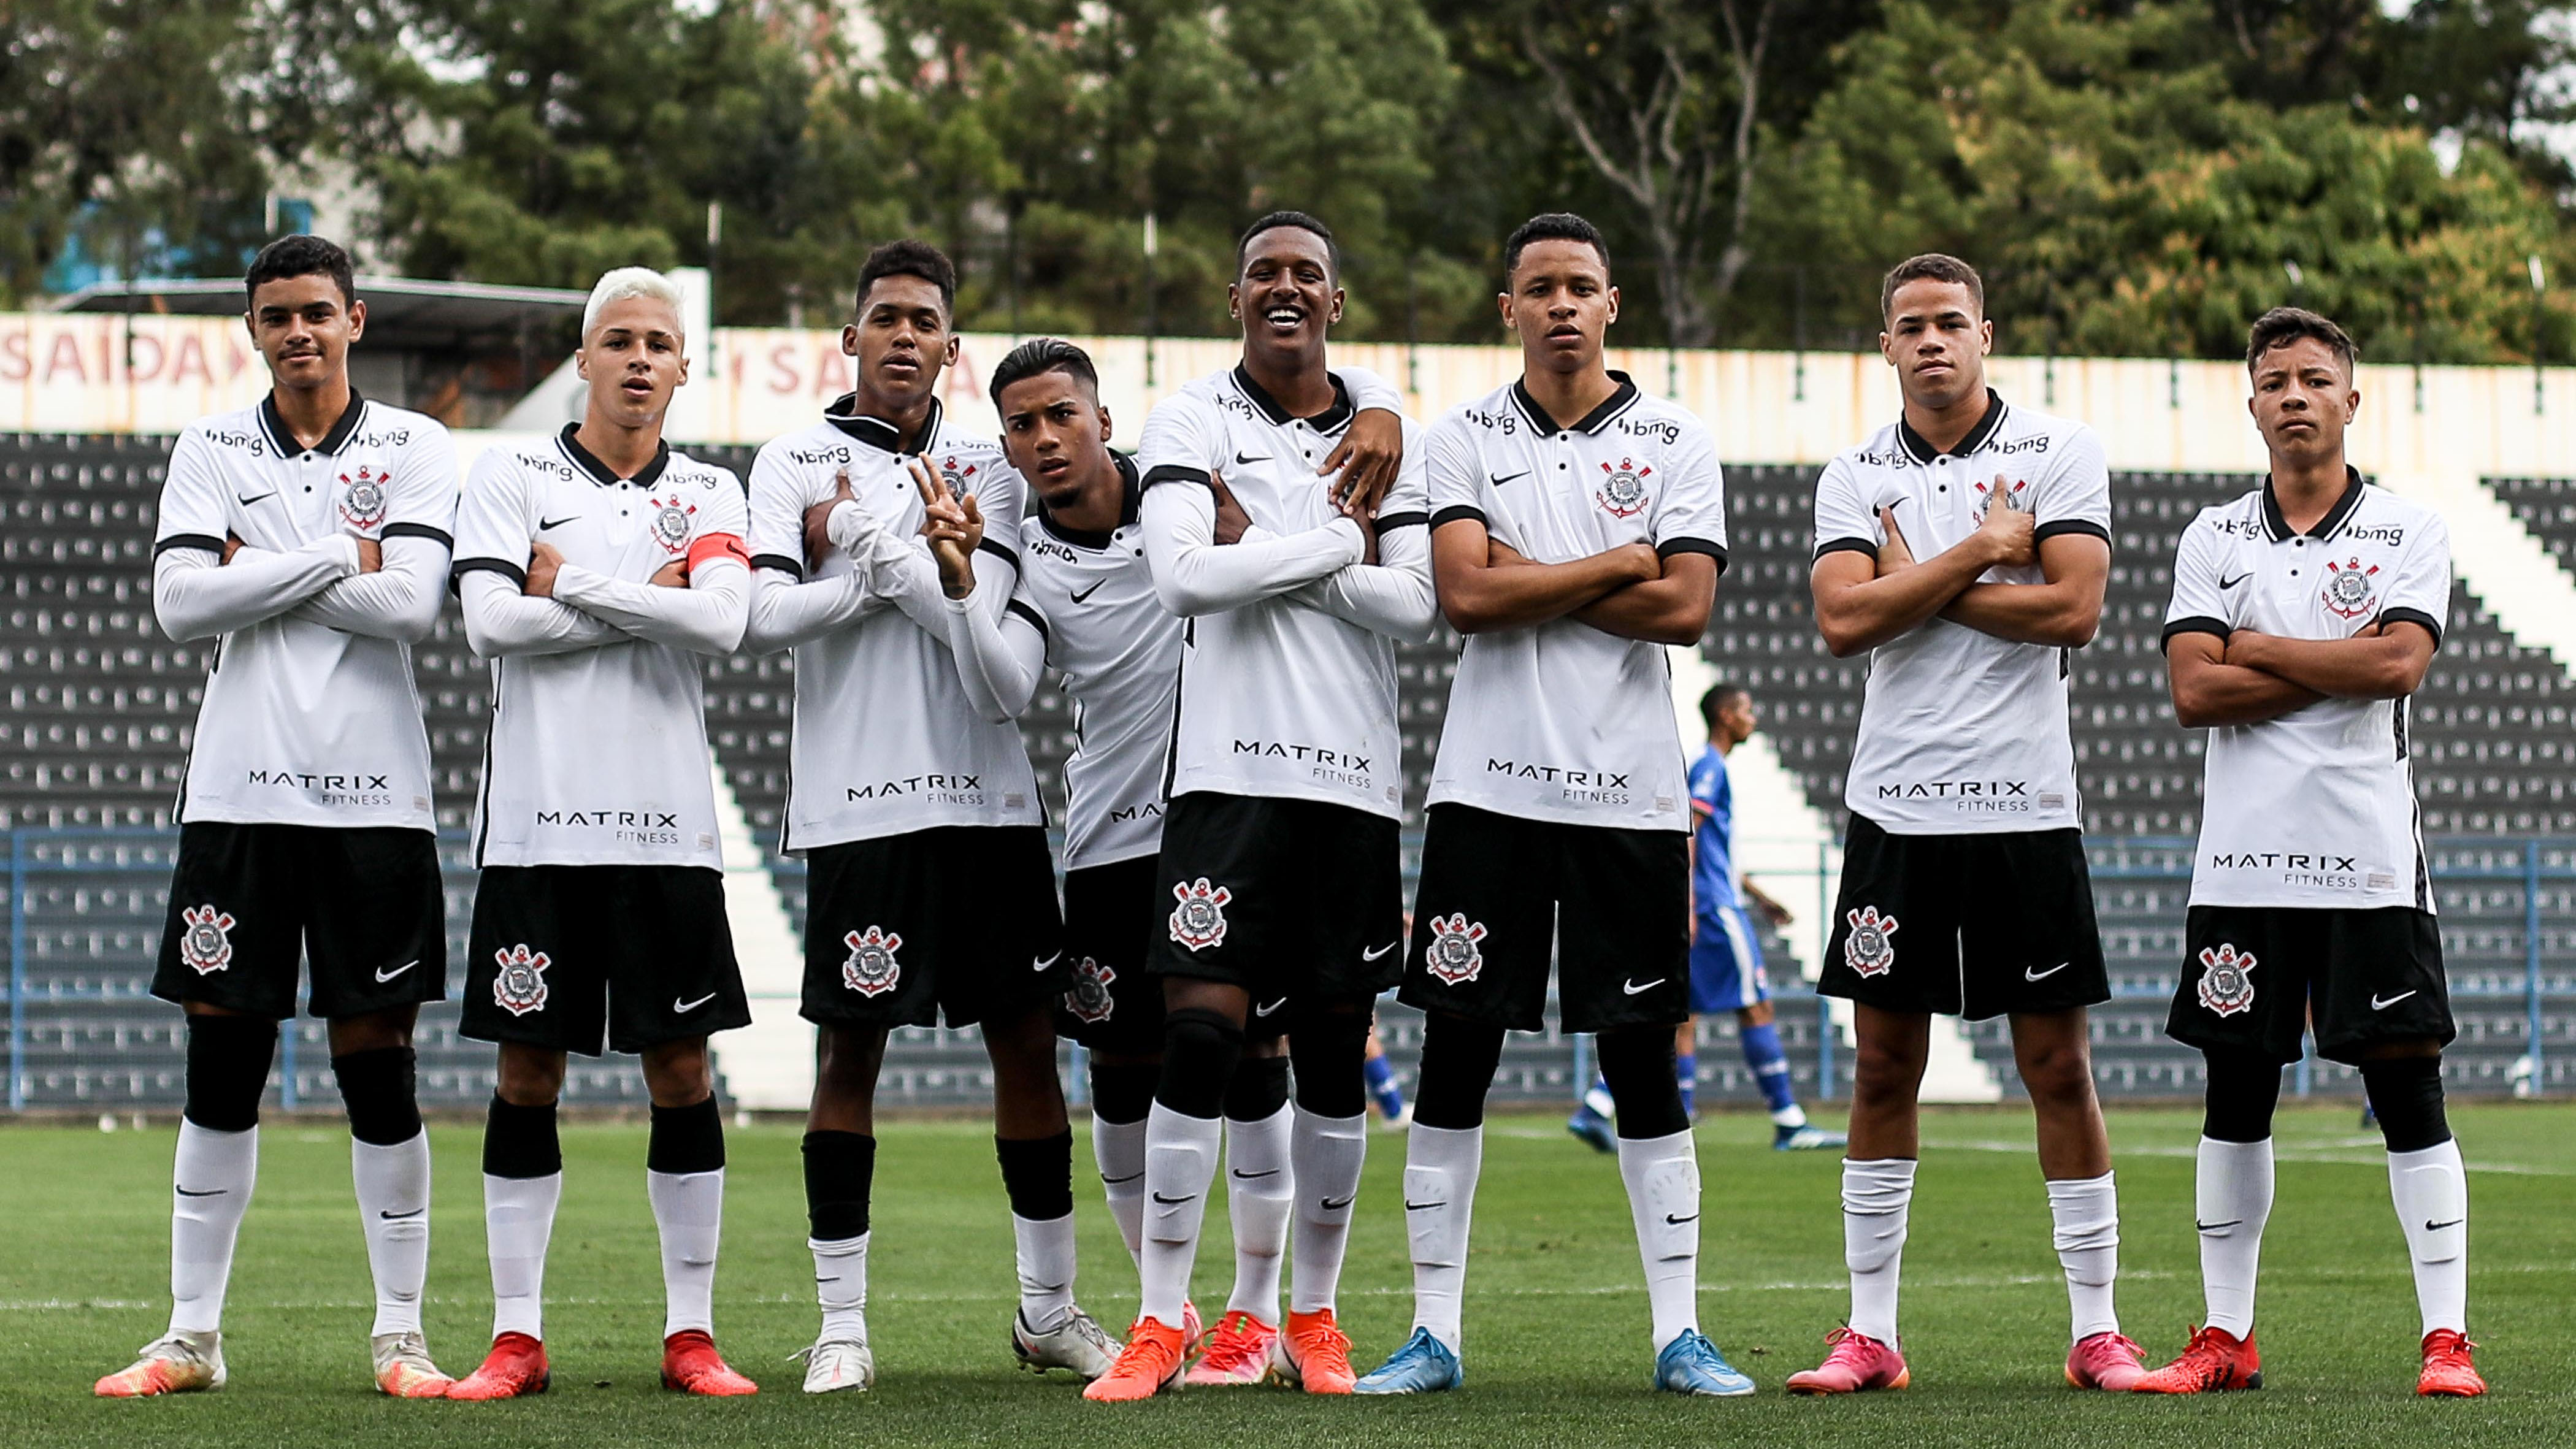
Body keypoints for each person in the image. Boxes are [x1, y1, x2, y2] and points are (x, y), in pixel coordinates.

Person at [934, 335, 1404, 1386]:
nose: (1045, 438)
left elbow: (1320, 415)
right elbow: (1001, 687)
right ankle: (1173, 1302)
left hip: (1247, 820)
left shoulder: (1183, 493)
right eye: (1022, 424)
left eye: (1062, 414)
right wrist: (963, 581)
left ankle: (1252, 1312)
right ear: (1007, 445)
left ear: (1105, 420)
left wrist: (1377, 397)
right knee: (1124, 1072)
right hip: (1116, 835)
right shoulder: (1030, 557)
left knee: (1254, 1059)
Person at [1354, 211, 1749, 1397]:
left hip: (1630, 791)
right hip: (1488, 790)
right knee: (1457, 1052)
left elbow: (1687, 610)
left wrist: (1547, 574)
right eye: (1542, 288)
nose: (1563, 304)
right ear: (1508, 307)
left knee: (1642, 1060)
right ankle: (1434, 1330)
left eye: (1582, 286)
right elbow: (1467, 596)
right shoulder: (1459, 436)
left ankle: (1679, 1332)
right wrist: (1620, 559)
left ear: (1613, 304)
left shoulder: (1677, 436)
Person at [738, 243, 1124, 1392]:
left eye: (925, 322)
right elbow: (762, 615)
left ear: (951, 348)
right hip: (860, 804)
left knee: (1027, 1044)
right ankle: (843, 1322)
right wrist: (895, 565)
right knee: (849, 1049)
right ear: (848, 339)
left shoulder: (994, 461)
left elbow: (982, 639)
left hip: (991, 800)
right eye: (884, 318)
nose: (905, 336)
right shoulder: (789, 457)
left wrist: (857, 543)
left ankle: (1048, 1308)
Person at [1083, 210, 1438, 1401]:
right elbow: (1184, 575)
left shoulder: (1393, 430)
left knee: (1336, 1051)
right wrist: (1340, 543)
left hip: (1348, 783)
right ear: (1235, 296)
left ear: (1336, 302)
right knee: (1199, 1035)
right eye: (1264, 273)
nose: (1285, 288)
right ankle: (1159, 1317)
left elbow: (1416, 605)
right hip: (1226, 778)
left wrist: (1276, 543)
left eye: (1308, 274)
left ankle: (1313, 1315)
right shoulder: (1192, 417)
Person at [101, 235, 459, 1400]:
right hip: (239, 794)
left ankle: (399, 1334)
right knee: (223, 1054)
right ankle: (192, 1335)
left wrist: (260, 561)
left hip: (374, 803)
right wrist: (332, 556)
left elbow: (409, 606)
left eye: (317, 311)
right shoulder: (209, 445)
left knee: (378, 1058)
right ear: (253, 330)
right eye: (275, 317)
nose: (298, 331)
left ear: (356, 318)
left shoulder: (416, 444)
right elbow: (173, 601)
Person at [1788, 253, 2142, 1395]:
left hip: (2026, 805)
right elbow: (1845, 622)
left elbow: (2074, 610)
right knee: (1884, 1063)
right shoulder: (1852, 473)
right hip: (1895, 804)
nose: (1932, 340)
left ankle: (2098, 1328)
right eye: (1910, 326)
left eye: (1950, 321)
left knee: (2056, 1062)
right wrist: (1986, 552)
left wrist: (1928, 582)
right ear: (1884, 345)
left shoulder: (2058, 451)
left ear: (1985, 333)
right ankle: (1871, 1332)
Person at [2140, 307, 2482, 1397]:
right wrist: (2341, 654)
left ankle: (2446, 1341)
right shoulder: (2212, 537)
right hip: (2242, 863)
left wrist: (2260, 647)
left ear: (2351, 397)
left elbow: (2398, 668)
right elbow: (2195, 691)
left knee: (2406, 1084)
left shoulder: (2408, 528)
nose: (2294, 394)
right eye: (2274, 379)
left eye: (2313, 378)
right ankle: (2225, 1337)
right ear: (2252, 404)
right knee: (2235, 1090)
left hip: (2369, 858)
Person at [444, 266, 758, 1400]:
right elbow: (490, 621)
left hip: (669, 831)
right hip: (535, 827)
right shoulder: (511, 471)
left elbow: (723, 623)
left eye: (657, 342)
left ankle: (691, 1334)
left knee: (681, 1068)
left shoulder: (716, 490)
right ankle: (516, 1336)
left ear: (684, 365)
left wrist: (573, 583)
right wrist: (645, 595)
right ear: (583, 358)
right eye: (616, 339)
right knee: (529, 1070)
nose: (636, 358)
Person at [1568, 684, 1846, 1152]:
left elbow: (1711, 848)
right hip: (1714, 909)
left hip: (1713, 897)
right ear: (1724, 716)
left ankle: (1601, 1105)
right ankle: (1788, 1119)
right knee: (1756, 1004)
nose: (1752, 718)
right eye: (1746, 709)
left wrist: (1760, 896)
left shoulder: (1707, 767)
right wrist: (1690, 904)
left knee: (1681, 1016)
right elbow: (1689, 837)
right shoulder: (1710, 769)